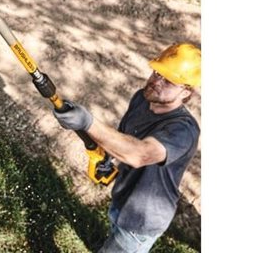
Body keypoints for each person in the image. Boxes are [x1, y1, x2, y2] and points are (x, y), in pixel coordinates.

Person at [54, 43, 201, 253]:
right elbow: (125, 136)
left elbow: (140, 154)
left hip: (141, 221)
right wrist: (107, 159)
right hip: (123, 198)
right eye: (157, 73)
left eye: (168, 81)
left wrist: (87, 122)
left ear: (187, 92)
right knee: (114, 234)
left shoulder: (183, 130)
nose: (156, 81)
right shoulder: (142, 98)